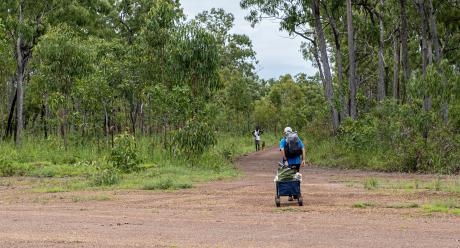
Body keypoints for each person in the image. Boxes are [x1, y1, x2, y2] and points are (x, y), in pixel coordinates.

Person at [279, 127, 306, 201]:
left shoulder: (283, 140)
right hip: (297, 162)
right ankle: (296, 194)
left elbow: (282, 150)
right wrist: (303, 159)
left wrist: (285, 160)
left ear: (284, 133)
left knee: (289, 178)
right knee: (296, 177)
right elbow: (303, 148)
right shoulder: (297, 139)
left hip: (288, 163)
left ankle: (290, 196)